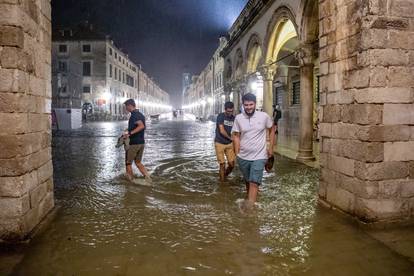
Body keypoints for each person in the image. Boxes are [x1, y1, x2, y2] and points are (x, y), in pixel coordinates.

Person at [232, 93, 275, 207]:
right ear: (243, 105)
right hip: (243, 157)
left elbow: (272, 129)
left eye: (251, 104)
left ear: (255, 104)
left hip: (259, 156)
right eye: (246, 105)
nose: (249, 107)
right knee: (248, 180)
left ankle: (250, 211)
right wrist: (237, 153)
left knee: (254, 182)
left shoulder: (264, 116)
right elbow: (236, 135)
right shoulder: (238, 118)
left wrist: (270, 148)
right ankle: (251, 197)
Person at [123, 99, 151, 181]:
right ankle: (148, 178)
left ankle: (131, 182)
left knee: (128, 163)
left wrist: (129, 134)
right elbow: (138, 126)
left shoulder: (134, 115)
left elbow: (141, 126)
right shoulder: (140, 114)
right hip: (141, 142)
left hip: (134, 143)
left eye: (126, 106)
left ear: (130, 106)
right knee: (138, 162)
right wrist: (128, 131)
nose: (126, 108)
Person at [215, 101, 236, 181]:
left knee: (232, 164)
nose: (230, 113)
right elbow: (221, 130)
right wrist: (230, 138)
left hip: (229, 144)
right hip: (219, 143)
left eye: (231, 111)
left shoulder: (234, 118)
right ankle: (222, 184)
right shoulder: (220, 116)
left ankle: (224, 175)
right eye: (228, 111)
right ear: (225, 110)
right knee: (222, 164)